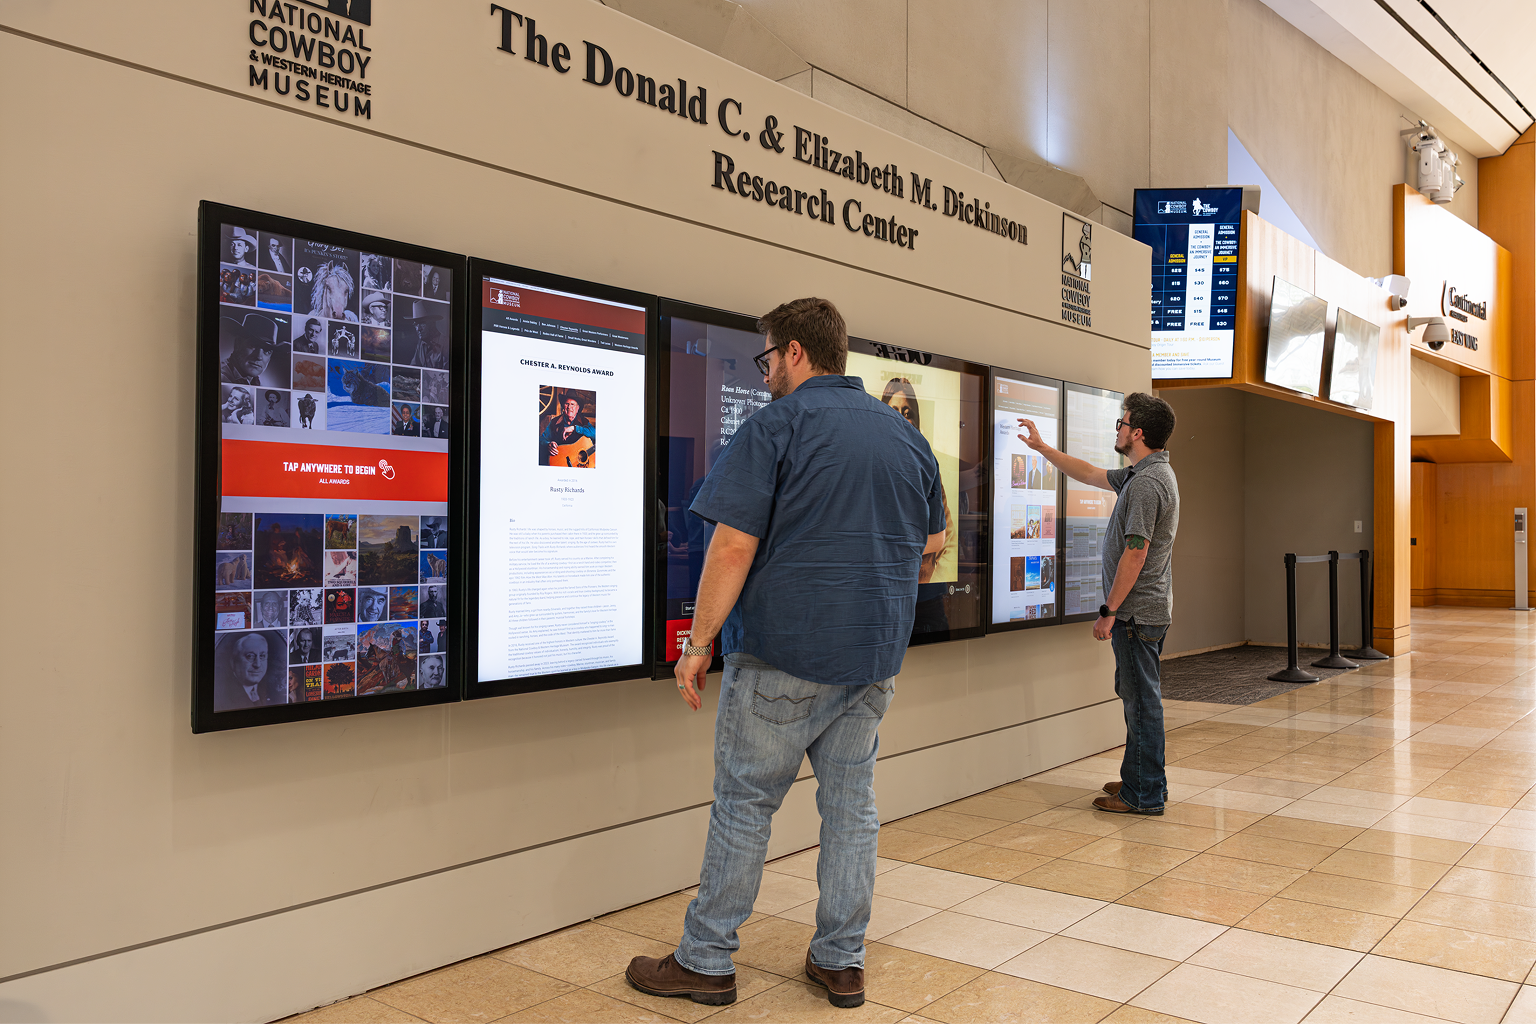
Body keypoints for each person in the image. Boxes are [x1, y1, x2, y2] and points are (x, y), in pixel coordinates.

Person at [625, 298, 945, 1010]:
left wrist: (697, 644)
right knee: (852, 809)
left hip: (782, 656)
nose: (764, 371)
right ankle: (841, 959)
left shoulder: (775, 426)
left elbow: (731, 547)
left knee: (745, 805)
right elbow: (932, 543)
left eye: (766, 357)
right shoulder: (905, 438)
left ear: (795, 351)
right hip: (871, 662)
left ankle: (706, 959)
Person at [1018, 392, 1179, 815]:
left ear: (1137, 433)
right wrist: (1041, 448)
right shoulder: (1143, 474)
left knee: (1141, 703)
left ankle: (1143, 795)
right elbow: (1089, 473)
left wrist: (1109, 611)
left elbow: (1136, 553)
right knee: (1139, 699)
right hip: (1144, 610)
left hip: (1135, 613)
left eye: (1121, 423)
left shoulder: (1146, 484)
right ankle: (1144, 779)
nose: (1118, 430)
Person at [214, 631, 284, 709]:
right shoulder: (220, 695)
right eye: (250, 656)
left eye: (262, 656)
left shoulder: (272, 691)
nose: (257, 664)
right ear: (233, 662)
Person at [221, 314, 281, 385]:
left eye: (267, 350)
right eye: (253, 345)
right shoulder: (221, 376)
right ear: (238, 344)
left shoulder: (255, 382)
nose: (259, 357)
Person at [539, 396, 594, 463]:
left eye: (572, 404)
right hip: (559, 461)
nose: (569, 407)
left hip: (577, 463)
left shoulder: (583, 421)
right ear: (563, 406)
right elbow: (542, 439)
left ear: (577, 408)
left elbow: (595, 434)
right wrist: (548, 444)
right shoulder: (555, 422)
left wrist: (575, 428)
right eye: (567, 404)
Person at [403, 300, 448, 369]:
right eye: (416, 325)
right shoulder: (421, 344)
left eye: (422, 324)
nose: (418, 329)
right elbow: (413, 368)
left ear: (432, 323)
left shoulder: (446, 344)